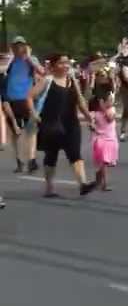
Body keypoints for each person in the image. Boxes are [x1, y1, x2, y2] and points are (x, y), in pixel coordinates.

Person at [29, 54, 96, 198]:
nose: (65, 65)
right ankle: (49, 188)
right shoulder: (47, 80)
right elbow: (29, 96)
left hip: (71, 123)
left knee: (75, 153)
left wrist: (89, 118)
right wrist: (34, 114)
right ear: (53, 66)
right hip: (51, 123)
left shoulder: (72, 80)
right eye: (61, 63)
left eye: (67, 62)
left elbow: (80, 100)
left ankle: (83, 184)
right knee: (51, 155)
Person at [5, 36, 42, 173]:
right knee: (15, 133)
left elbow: (41, 71)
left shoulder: (31, 60)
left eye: (21, 46)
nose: (18, 49)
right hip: (11, 99)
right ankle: (19, 160)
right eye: (16, 46)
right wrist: (9, 58)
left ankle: (31, 159)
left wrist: (29, 58)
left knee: (31, 130)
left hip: (27, 99)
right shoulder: (10, 61)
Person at [89, 86, 118, 191]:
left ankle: (98, 178)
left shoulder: (112, 110)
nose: (112, 102)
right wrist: (92, 125)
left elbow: (110, 118)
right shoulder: (95, 113)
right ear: (102, 102)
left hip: (111, 140)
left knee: (104, 164)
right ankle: (104, 184)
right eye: (109, 100)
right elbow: (91, 122)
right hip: (100, 141)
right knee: (104, 163)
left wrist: (105, 108)